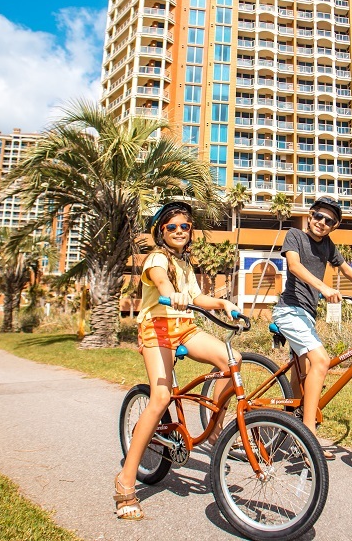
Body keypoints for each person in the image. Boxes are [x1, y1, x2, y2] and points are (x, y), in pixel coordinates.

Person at [114, 201, 241, 521]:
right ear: (161, 231)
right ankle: (125, 482)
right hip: (157, 330)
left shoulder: (185, 262)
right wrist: (172, 294)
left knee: (232, 360)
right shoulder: (157, 258)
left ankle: (215, 431)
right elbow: (162, 282)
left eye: (185, 226)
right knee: (160, 398)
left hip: (185, 329)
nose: (179, 231)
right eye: (172, 227)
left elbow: (196, 297)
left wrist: (223, 304)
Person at [272, 197, 352, 457]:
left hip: (307, 316)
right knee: (321, 361)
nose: (322, 222)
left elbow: (347, 270)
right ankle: (309, 437)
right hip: (289, 310)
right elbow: (294, 265)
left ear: (334, 226)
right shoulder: (295, 235)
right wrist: (323, 287)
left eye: (329, 221)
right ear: (310, 215)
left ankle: (292, 423)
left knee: (302, 375)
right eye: (319, 216)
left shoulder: (328, 246)